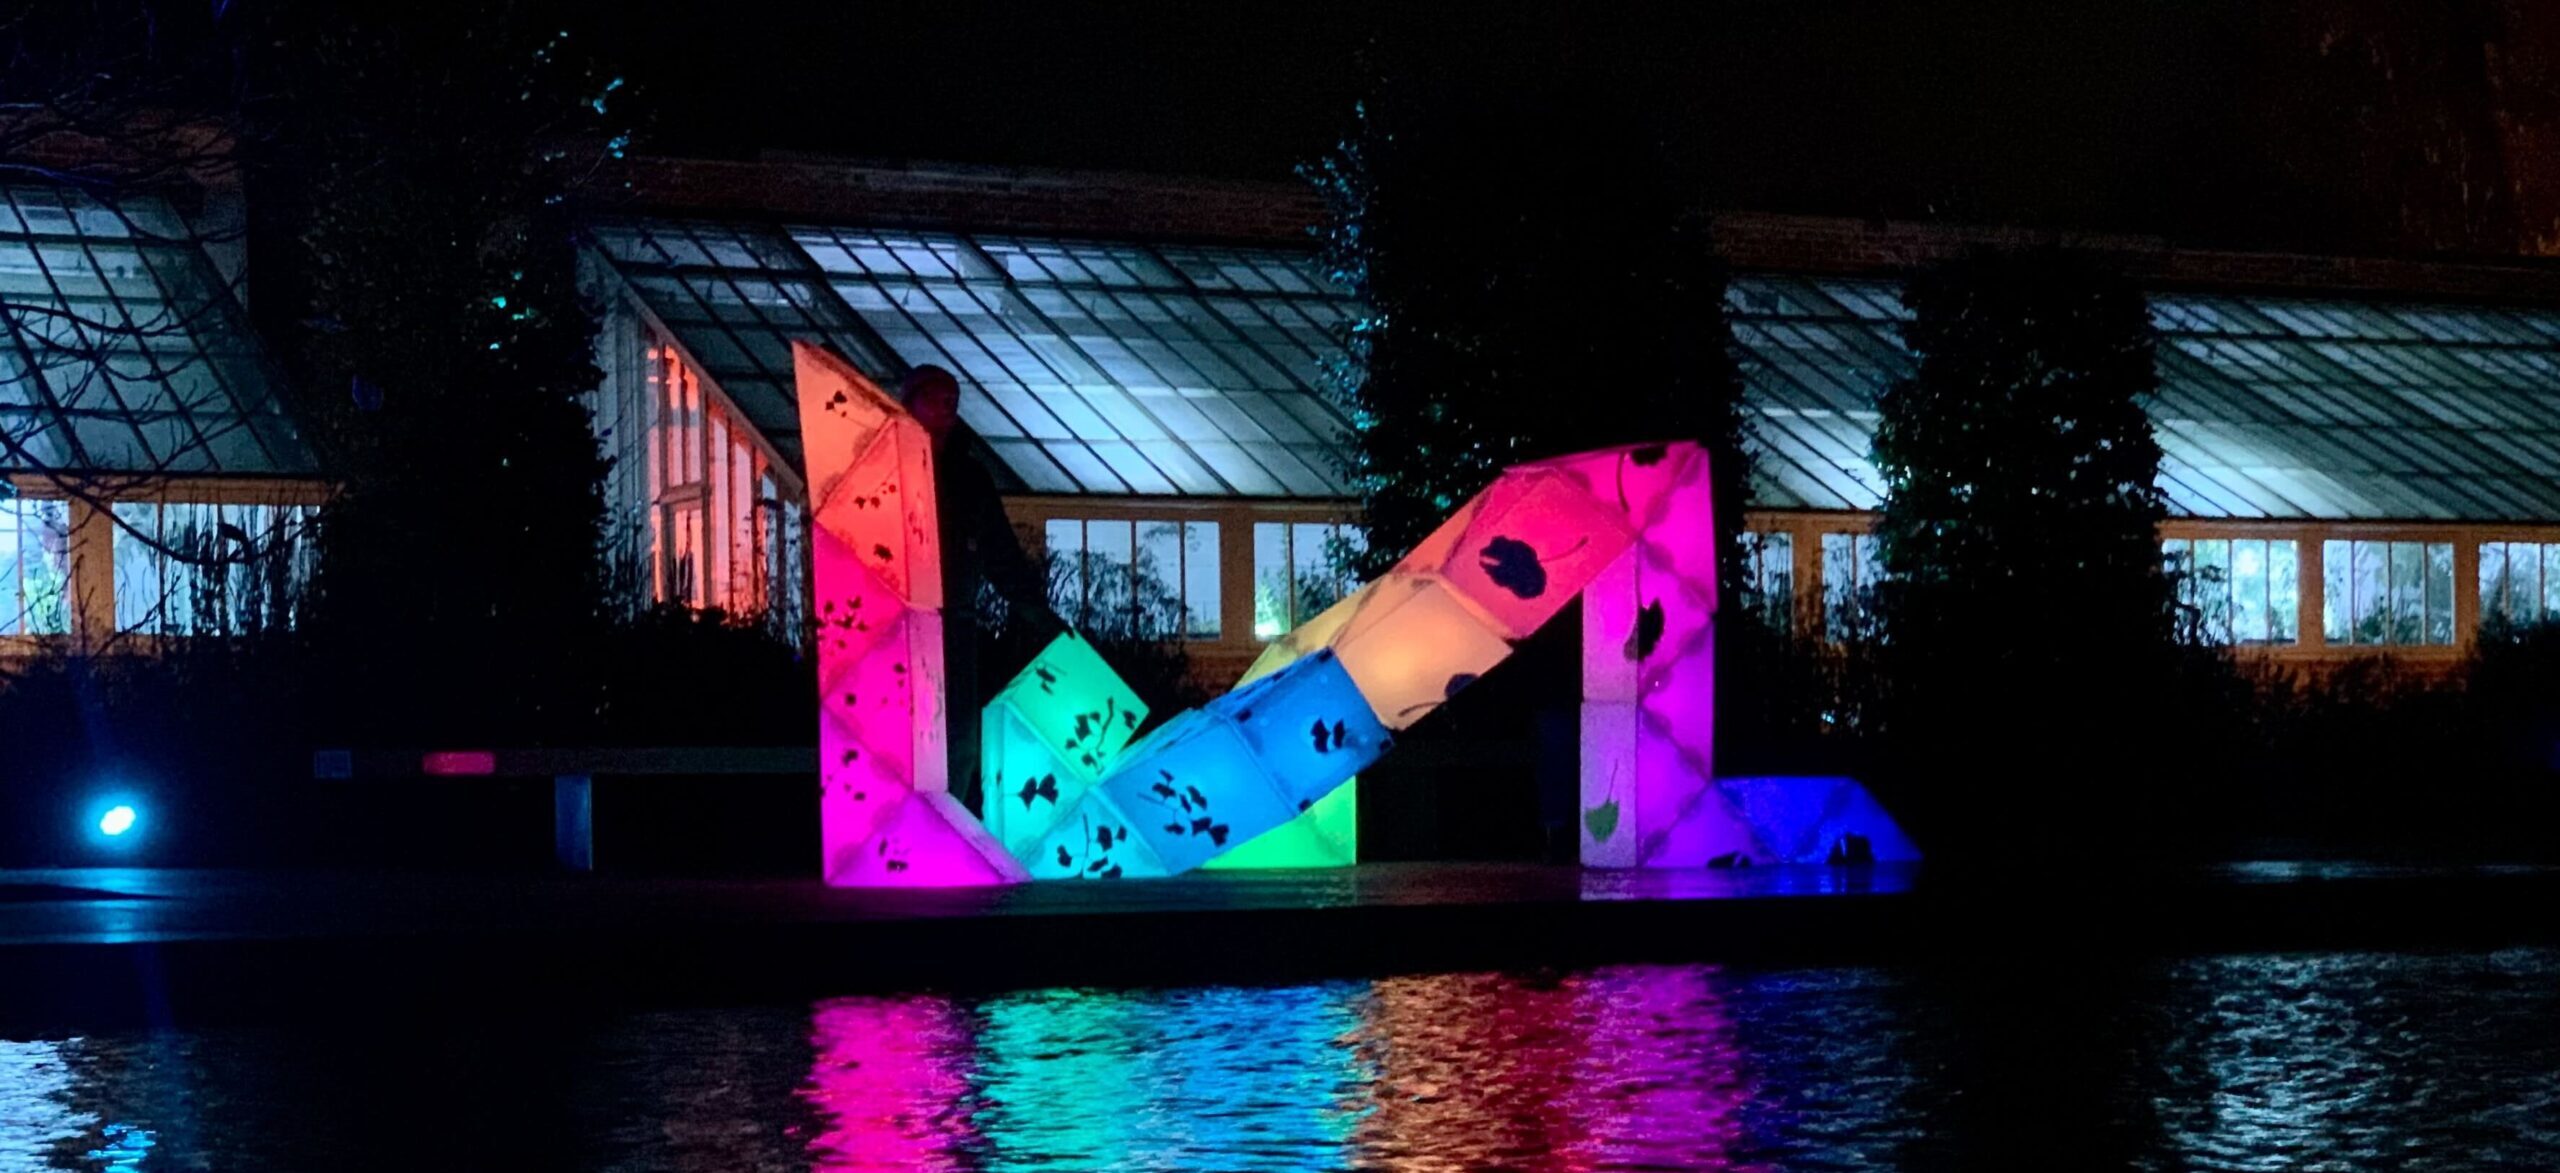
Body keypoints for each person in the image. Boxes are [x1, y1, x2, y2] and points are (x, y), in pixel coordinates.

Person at [900, 364, 1063, 816]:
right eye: (938, 399)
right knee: (920, 726)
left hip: (953, 613)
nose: (948, 409)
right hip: (904, 616)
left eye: (953, 401)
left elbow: (998, 547)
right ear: (911, 403)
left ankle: (946, 813)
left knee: (956, 728)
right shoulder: (891, 469)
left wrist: (1029, 604)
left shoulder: (967, 476)